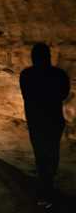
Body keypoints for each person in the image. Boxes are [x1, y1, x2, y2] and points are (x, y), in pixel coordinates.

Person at [20, 43, 70, 208]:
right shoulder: (59, 74)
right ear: (48, 56)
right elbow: (64, 94)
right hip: (54, 119)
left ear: (33, 58)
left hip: (36, 120)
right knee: (53, 150)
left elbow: (26, 95)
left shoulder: (26, 75)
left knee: (40, 153)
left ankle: (45, 186)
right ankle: (49, 178)